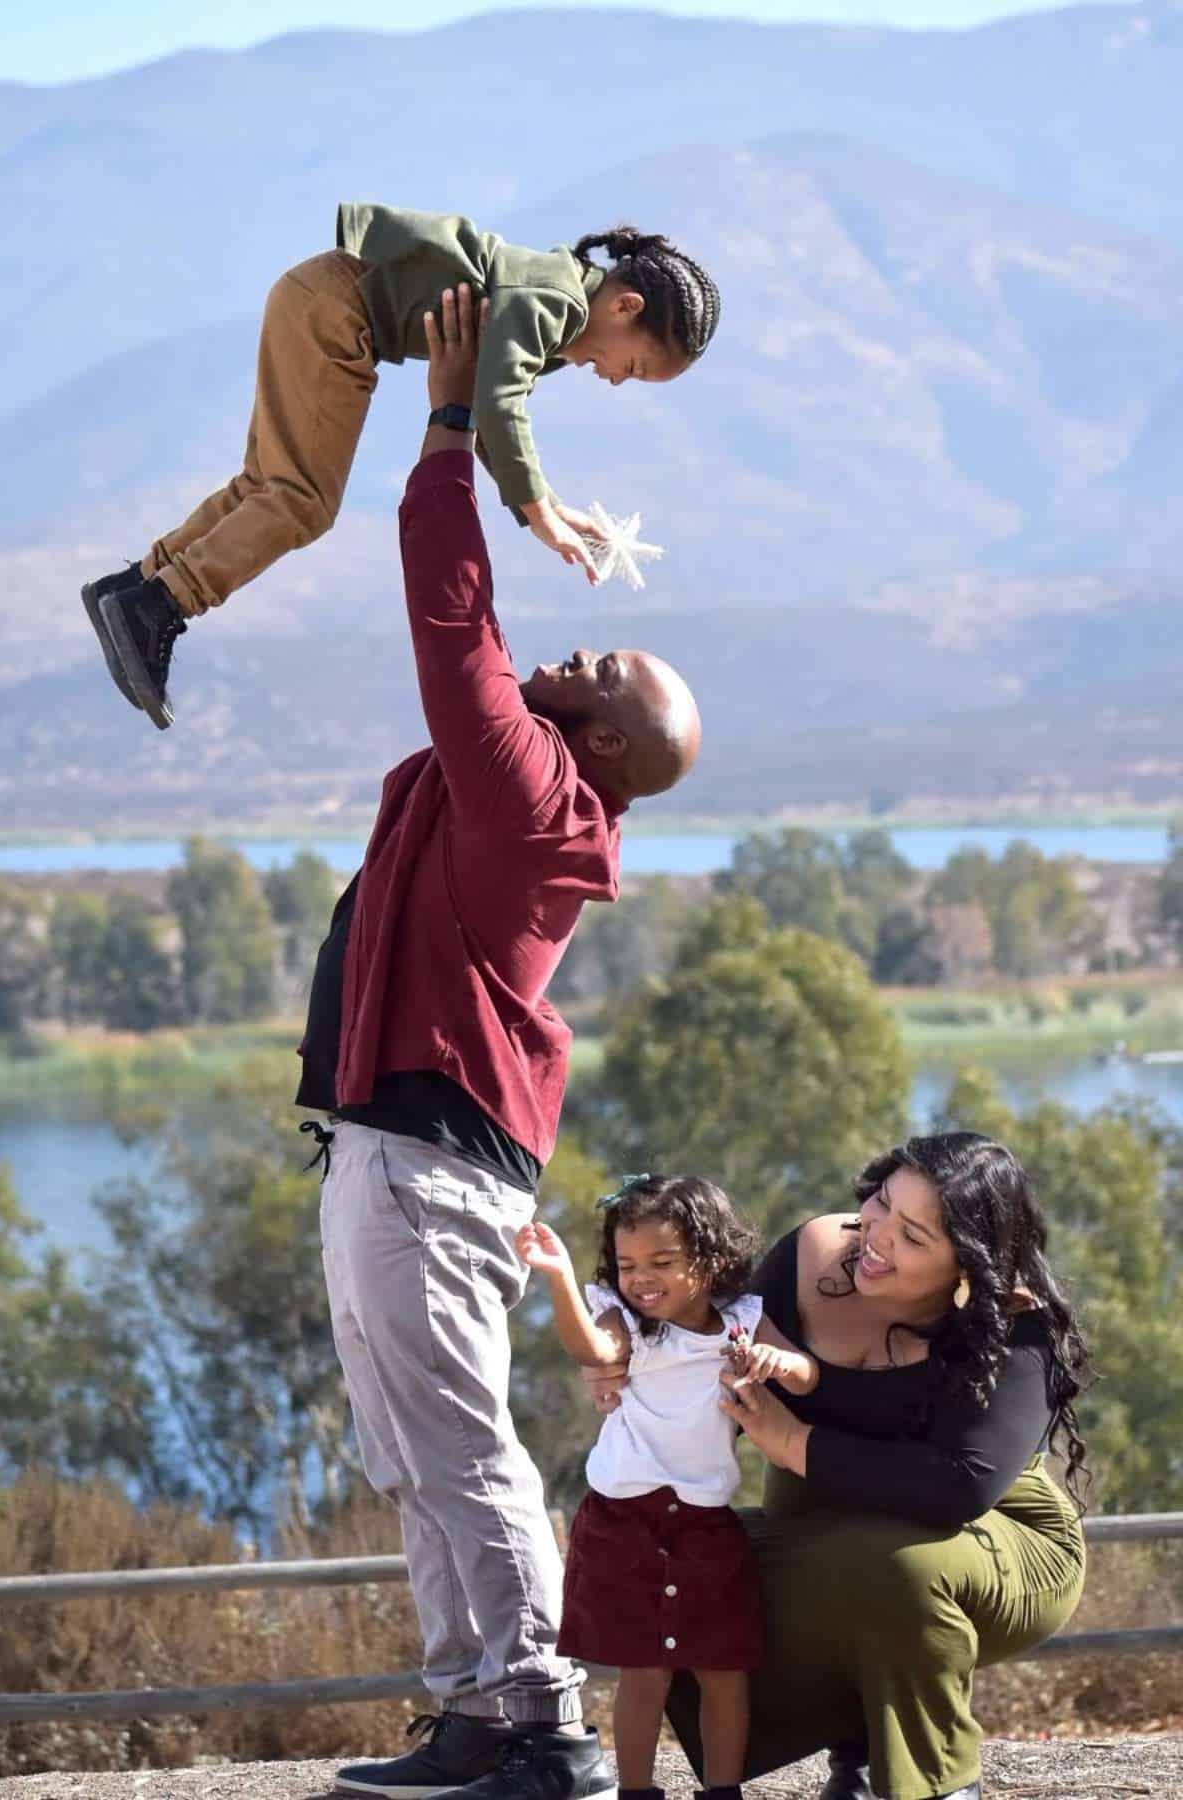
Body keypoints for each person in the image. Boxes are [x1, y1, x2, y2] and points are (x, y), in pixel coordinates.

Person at [296, 285, 701, 1800]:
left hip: (424, 1170)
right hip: (395, 1157)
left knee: (459, 1447)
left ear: (599, 749)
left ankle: (542, 1727)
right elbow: (493, 647)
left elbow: (453, 618)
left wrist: (454, 422)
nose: (586, 655)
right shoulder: (536, 788)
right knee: (415, 1450)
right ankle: (472, 1712)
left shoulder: (533, 796)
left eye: (610, 676)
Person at [584, 1132, 1092, 1800]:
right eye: (881, 1204)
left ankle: (934, 1781)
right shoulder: (809, 1256)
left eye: (913, 1237)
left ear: (966, 1265)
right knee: (672, 1573)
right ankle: (855, 1738)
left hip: (995, 1541)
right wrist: (616, 1352)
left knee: (897, 1569)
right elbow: (695, 1323)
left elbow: (960, 1485)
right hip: (824, 1534)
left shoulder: (1012, 1321)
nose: (877, 1237)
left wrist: (794, 1444)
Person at [80, 210, 720, 729]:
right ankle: (159, 605)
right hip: (337, 310)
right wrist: (538, 515)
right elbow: (495, 404)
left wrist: (545, 504)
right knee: (302, 501)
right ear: (626, 308)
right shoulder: (551, 300)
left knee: (267, 487)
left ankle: (131, 587)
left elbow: (498, 412)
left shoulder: (557, 311)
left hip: (321, 298)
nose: (614, 380)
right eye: (631, 368)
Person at [517, 1174, 815, 1800]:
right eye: (627, 1264)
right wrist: (560, 1277)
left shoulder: (742, 1322)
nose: (640, 1278)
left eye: (662, 1261)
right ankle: (636, 1791)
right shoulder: (625, 1321)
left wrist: (776, 1363)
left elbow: (808, 1375)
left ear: (710, 1261)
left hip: (706, 1522)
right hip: (624, 1523)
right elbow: (594, 1349)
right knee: (644, 1673)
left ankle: (723, 1790)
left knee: (725, 1669)